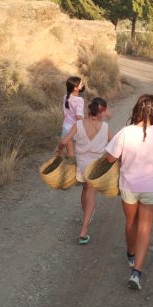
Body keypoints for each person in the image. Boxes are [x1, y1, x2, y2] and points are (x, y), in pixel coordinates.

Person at [105, 94, 153, 290]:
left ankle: (131, 255)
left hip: (128, 186)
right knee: (145, 227)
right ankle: (137, 272)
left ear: (137, 110)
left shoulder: (125, 132)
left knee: (131, 223)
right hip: (150, 187)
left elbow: (109, 158)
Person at [57, 97, 112, 244]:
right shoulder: (105, 127)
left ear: (89, 109)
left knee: (85, 190)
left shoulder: (79, 124)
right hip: (95, 165)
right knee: (91, 194)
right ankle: (83, 231)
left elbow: (64, 141)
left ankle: (86, 215)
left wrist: (59, 150)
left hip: (81, 163)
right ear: (102, 111)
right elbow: (114, 143)